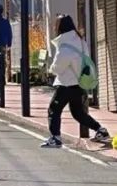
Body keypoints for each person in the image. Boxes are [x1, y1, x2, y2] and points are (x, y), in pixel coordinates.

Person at [41, 14, 111, 149]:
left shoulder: (65, 46)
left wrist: (51, 68)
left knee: (54, 110)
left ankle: (55, 138)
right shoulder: (81, 41)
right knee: (78, 113)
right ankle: (100, 130)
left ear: (60, 27)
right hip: (79, 83)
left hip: (65, 84)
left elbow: (57, 68)